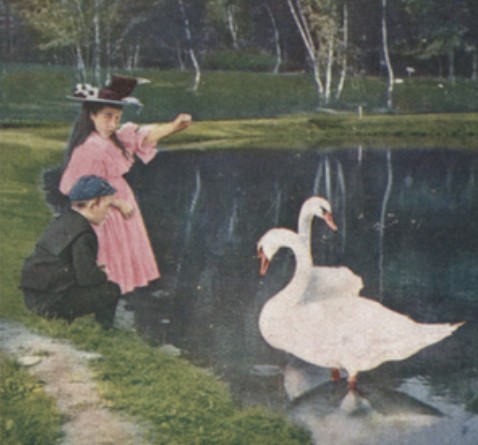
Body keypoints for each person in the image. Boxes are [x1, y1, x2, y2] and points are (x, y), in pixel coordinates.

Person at [59, 75, 192, 294]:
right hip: (104, 210)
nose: (113, 124)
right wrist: (116, 202)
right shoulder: (88, 148)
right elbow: (72, 187)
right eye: (107, 117)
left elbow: (143, 137)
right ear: (92, 116)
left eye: (117, 118)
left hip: (121, 206)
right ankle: (100, 299)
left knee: (122, 255)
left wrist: (175, 126)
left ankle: (114, 299)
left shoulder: (115, 140)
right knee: (105, 256)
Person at [20, 175, 121, 329]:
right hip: (50, 303)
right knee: (111, 289)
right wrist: (103, 274)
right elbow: (87, 278)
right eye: (107, 206)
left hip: (33, 296)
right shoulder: (84, 234)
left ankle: (69, 320)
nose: (108, 212)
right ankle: (105, 330)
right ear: (93, 205)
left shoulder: (62, 221)